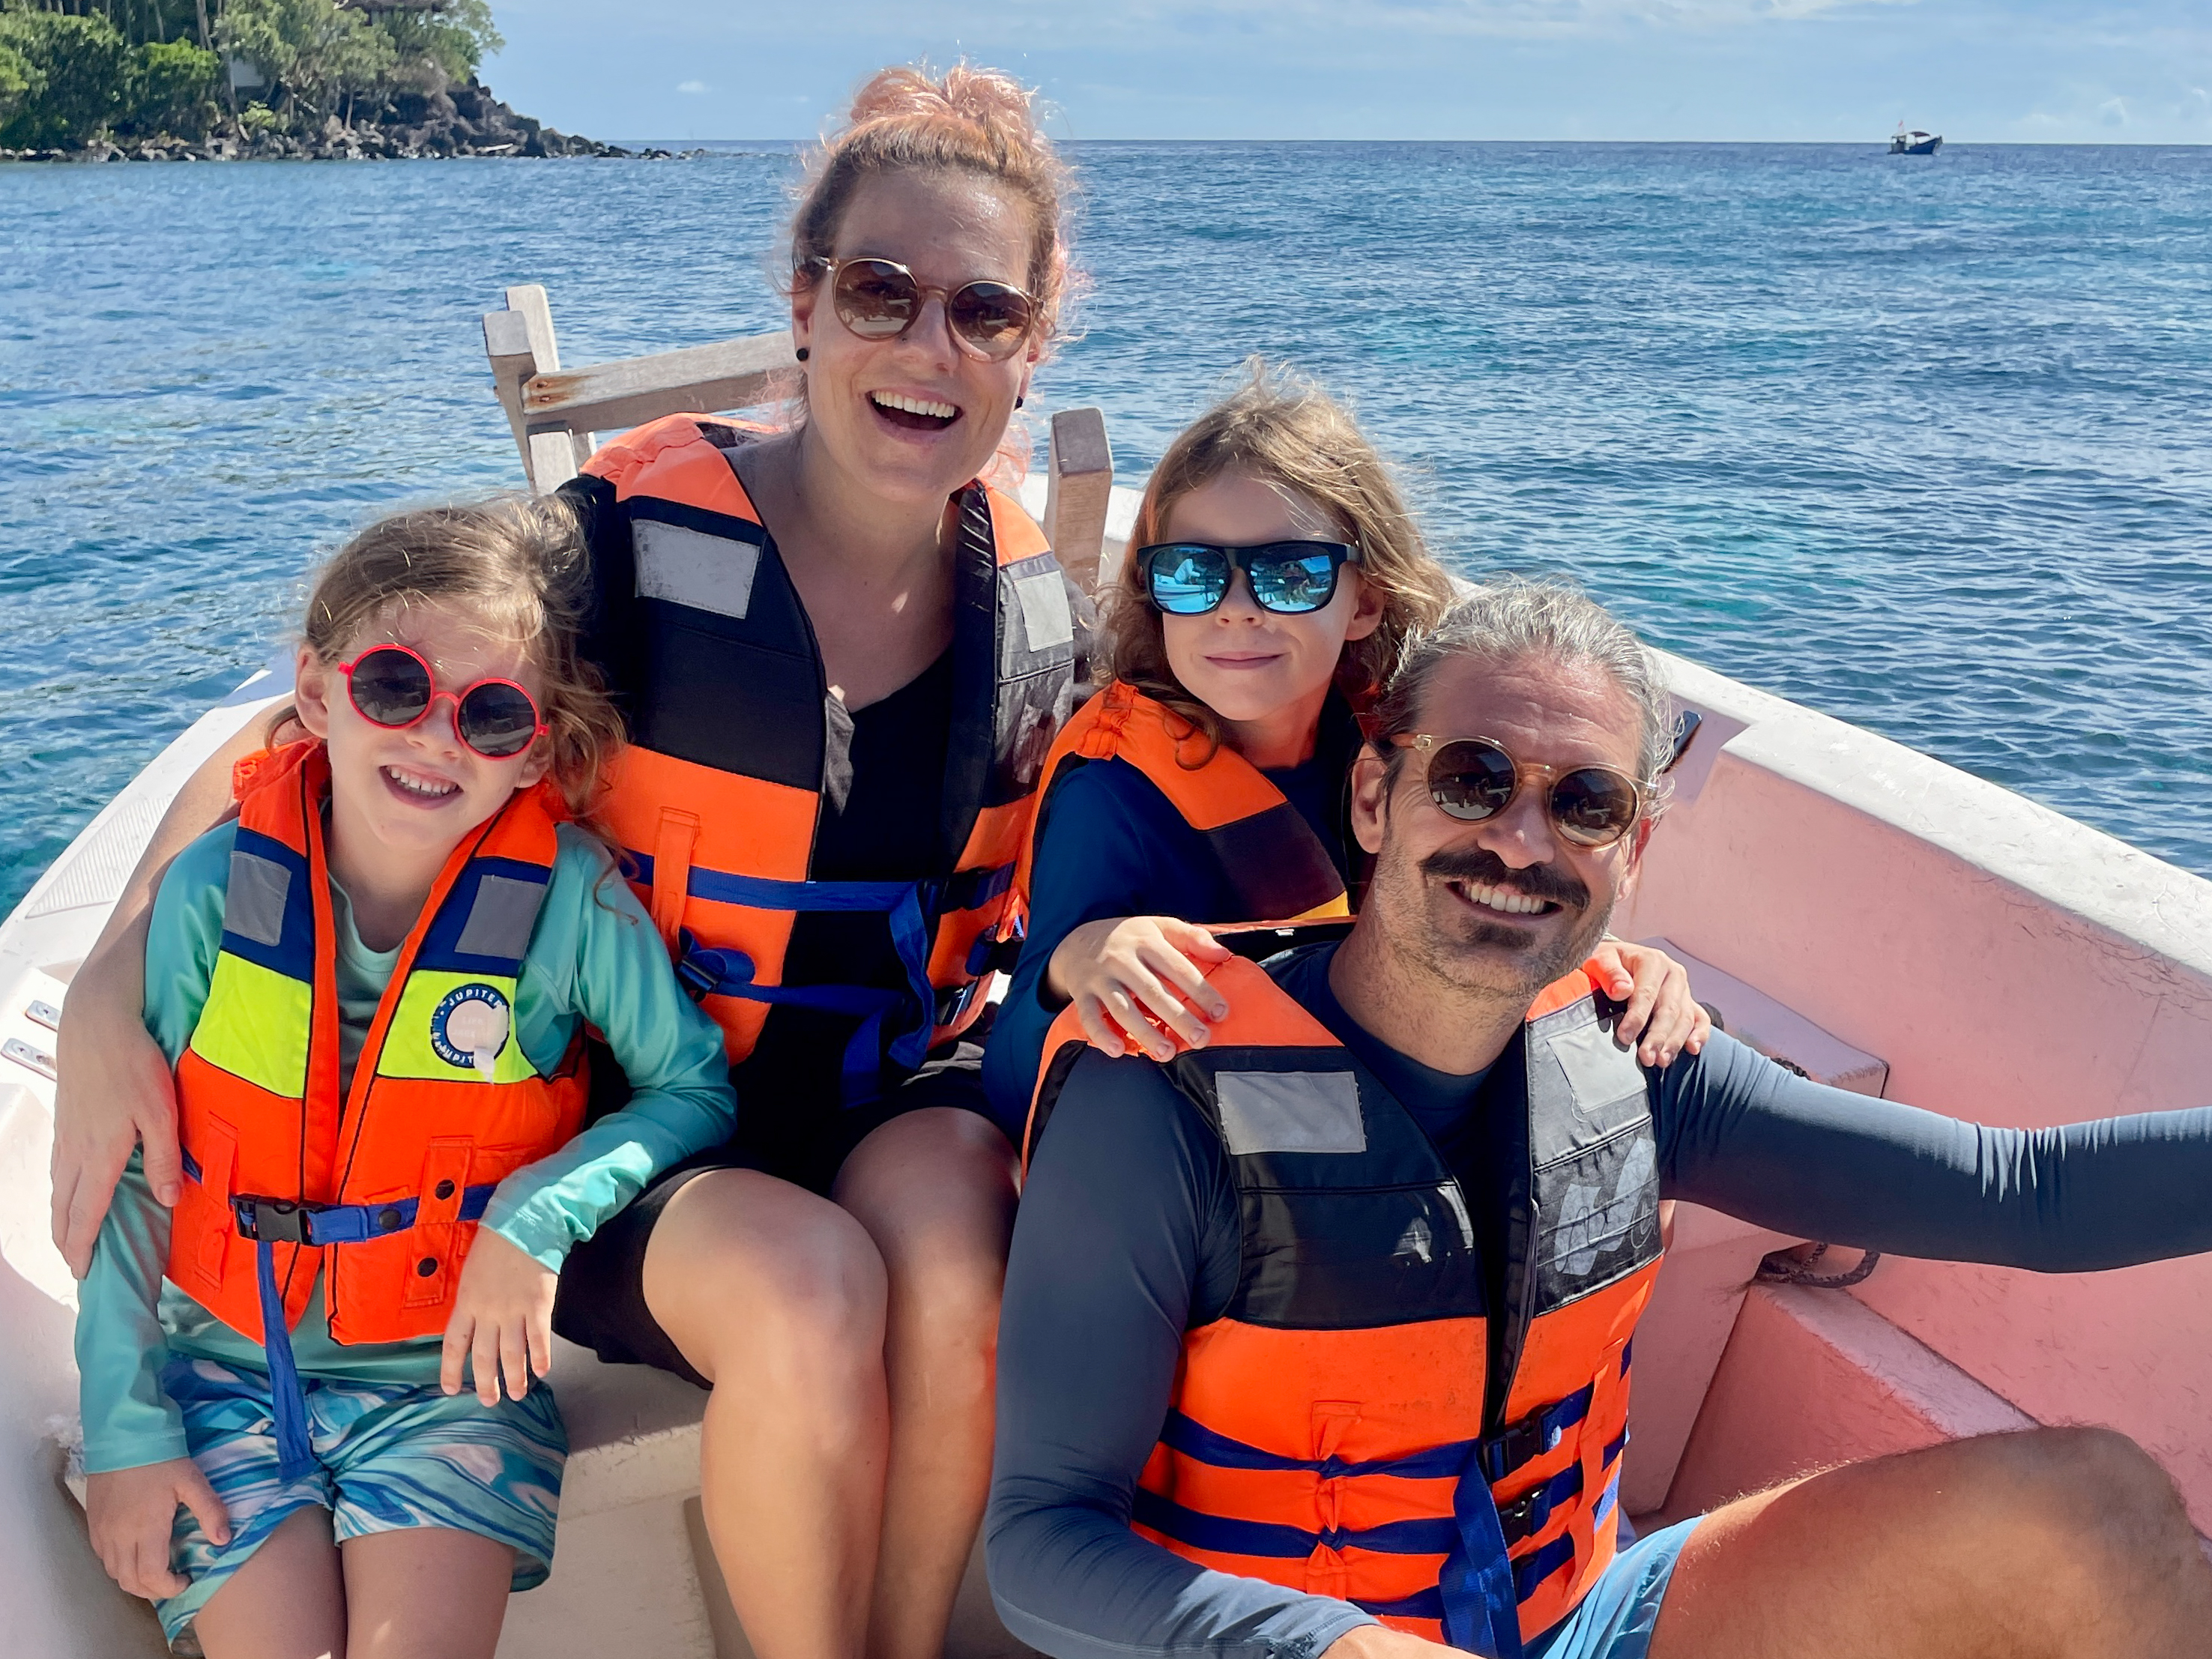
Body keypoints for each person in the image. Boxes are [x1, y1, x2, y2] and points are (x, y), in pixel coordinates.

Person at [54, 63, 1083, 1659]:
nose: (926, 346)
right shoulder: (604, 551)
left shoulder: (1035, 612)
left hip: (881, 1097)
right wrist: (121, 975)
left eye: (983, 311)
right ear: (804, 302)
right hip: (621, 1143)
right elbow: (283, 740)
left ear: (1031, 343)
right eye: (881, 289)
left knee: (960, 1244)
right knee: (810, 1290)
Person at [988, 580, 2212, 1659]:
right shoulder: (1158, 1095)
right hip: (1291, 1637)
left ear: (1631, 851)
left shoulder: (1640, 1055)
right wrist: (1331, 1645)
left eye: (1582, 804)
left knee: (2093, 1511)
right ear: (1373, 795)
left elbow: (2027, 1196)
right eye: (1472, 778)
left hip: (1582, 1613)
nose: (1520, 842)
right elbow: (1041, 1537)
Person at [76, 498, 737, 1657]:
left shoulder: (571, 905)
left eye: (489, 714)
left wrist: (538, 1216)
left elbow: (690, 1086)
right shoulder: (211, 896)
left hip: (450, 1386)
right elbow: (134, 1176)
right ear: (319, 690)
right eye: (394, 686)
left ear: (534, 748)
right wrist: (127, 1432)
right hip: (222, 1372)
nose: (436, 737)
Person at [985, 369, 1705, 1139]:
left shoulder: (1404, 755)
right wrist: (1082, 959)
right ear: (1153, 593)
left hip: (1387, 1100)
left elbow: (1484, 907)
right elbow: (1014, 1072)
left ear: (1364, 600)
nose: (1234, 609)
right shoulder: (1114, 793)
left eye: (1288, 575)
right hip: (1209, 1152)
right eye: (1192, 574)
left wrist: (1617, 963)